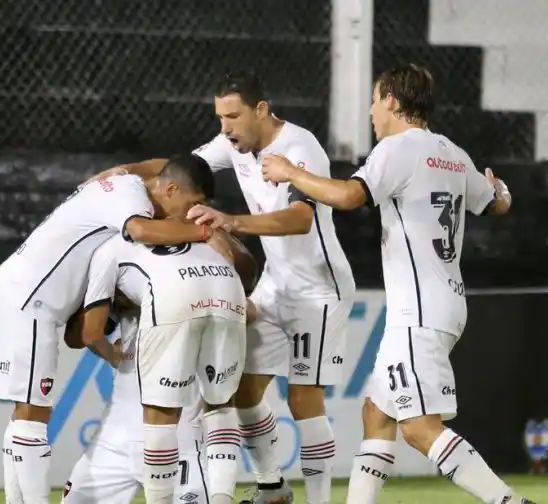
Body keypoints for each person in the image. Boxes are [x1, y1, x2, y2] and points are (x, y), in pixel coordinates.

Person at [261, 63, 530, 504]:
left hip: (418, 312)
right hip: (444, 302)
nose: (370, 111)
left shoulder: (396, 149)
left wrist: (293, 173)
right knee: (377, 414)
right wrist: (502, 191)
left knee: (420, 429)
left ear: (391, 100)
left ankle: (509, 502)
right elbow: (495, 203)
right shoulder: (452, 152)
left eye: (373, 99)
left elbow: (349, 196)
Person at [95, 70, 354, 504]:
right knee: (243, 390)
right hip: (276, 285)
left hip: (318, 290)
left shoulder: (298, 147)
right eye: (219, 117)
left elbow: (301, 218)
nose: (225, 127)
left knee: (303, 398)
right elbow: (172, 169)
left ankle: (321, 499)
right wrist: (123, 174)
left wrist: (233, 222)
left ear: (261, 110)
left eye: (232, 116)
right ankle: (272, 486)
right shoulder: (234, 145)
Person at [0, 154, 217, 504]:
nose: (190, 213)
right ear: (171, 188)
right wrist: (205, 232)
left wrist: (128, 167)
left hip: (20, 289)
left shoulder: (124, 184)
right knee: (34, 415)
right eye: (193, 203)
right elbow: (141, 231)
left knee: (24, 415)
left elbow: (165, 162)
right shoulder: (131, 199)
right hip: (34, 298)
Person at [63, 227, 259, 504]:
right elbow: (75, 336)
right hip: (113, 438)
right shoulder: (131, 267)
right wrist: (117, 298)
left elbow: (249, 309)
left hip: (182, 443)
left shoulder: (210, 272)